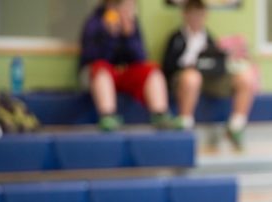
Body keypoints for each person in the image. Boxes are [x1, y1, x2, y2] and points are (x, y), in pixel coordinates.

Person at [162, 0, 257, 150]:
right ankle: (185, 123)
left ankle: (236, 126)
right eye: (193, 15)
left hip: (210, 78)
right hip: (185, 79)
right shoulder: (176, 38)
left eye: (200, 15)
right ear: (185, 15)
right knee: (192, 77)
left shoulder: (209, 39)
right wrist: (188, 66)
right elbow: (167, 67)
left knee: (246, 76)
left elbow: (217, 63)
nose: (197, 19)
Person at [79, 0, 180, 131]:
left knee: (152, 70)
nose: (129, 10)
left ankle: (160, 114)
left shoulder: (133, 24)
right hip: (100, 74)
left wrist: (129, 36)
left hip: (125, 74)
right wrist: (110, 36)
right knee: (100, 69)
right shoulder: (95, 23)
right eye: (126, 6)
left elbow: (141, 58)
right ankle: (107, 115)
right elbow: (92, 58)